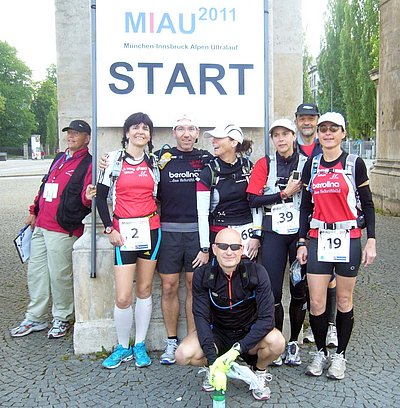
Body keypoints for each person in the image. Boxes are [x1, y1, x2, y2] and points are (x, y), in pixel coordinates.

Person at [297, 112, 376, 380]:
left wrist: (372, 241)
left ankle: (340, 354)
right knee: (317, 302)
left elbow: (367, 203)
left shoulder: (355, 163)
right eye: (323, 129)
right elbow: (306, 204)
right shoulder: (313, 164)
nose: (328, 133)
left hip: (348, 237)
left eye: (334, 129)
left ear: (343, 133)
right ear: (318, 134)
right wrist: (302, 240)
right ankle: (320, 352)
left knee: (343, 299)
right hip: (319, 238)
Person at [175, 228, 285, 401]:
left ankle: (259, 373)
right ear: (214, 249)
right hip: (218, 334)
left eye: (234, 247)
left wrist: (237, 350)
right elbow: (201, 318)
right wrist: (213, 361)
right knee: (182, 354)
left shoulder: (257, 272)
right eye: (223, 246)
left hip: (248, 335)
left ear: (241, 250)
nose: (229, 251)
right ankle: (216, 368)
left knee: (277, 342)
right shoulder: (202, 275)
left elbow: (267, 319)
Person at [11, 120, 93, 339]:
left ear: (87, 138)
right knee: (36, 273)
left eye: (77, 133)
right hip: (40, 225)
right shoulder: (59, 158)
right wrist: (33, 210)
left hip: (63, 228)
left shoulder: (88, 163)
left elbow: (86, 198)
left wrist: (88, 196)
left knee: (59, 276)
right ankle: (35, 318)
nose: (71, 136)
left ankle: (62, 317)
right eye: (69, 133)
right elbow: (45, 184)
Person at [93, 112, 161, 369]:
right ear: (127, 132)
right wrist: (110, 228)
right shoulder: (112, 160)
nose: (140, 132)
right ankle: (122, 346)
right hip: (123, 233)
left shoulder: (155, 163)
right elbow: (100, 198)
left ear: (150, 135)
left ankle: (139, 345)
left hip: (151, 230)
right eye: (135, 127)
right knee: (123, 297)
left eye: (145, 128)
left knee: (144, 291)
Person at [247, 119, 307, 366]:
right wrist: (283, 194)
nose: (281, 139)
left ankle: (293, 342)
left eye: (285, 134)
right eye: (276, 135)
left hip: (299, 234)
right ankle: (276, 341)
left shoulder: (307, 163)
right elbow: (252, 199)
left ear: (294, 136)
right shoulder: (265, 163)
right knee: (271, 291)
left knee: (299, 288)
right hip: (273, 233)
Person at [155, 114, 213, 365]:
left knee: (193, 286)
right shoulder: (160, 159)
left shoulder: (206, 159)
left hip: (197, 233)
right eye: (181, 129)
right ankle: (170, 341)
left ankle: (191, 340)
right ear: (174, 133)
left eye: (191, 129)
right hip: (167, 232)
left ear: (198, 133)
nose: (186, 133)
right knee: (168, 286)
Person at [295, 103, 338, 347]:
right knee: (307, 278)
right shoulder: (290, 144)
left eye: (311, 118)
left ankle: (329, 325)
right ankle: (309, 324)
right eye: (303, 118)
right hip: (301, 220)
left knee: (330, 277)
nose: (307, 122)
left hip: (326, 225)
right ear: (297, 121)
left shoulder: (328, 146)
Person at [196, 123, 262, 260]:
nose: (213, 141)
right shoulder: (208, 172)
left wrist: (257, 235)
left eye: (219, 138)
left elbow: (256, 204)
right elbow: (202, 214)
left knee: (248, 277)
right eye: (213, 138)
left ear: (233, 142)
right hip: (219, 230)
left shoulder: (248, 168)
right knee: (222, 277)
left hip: (247, 232)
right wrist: (204, 248)